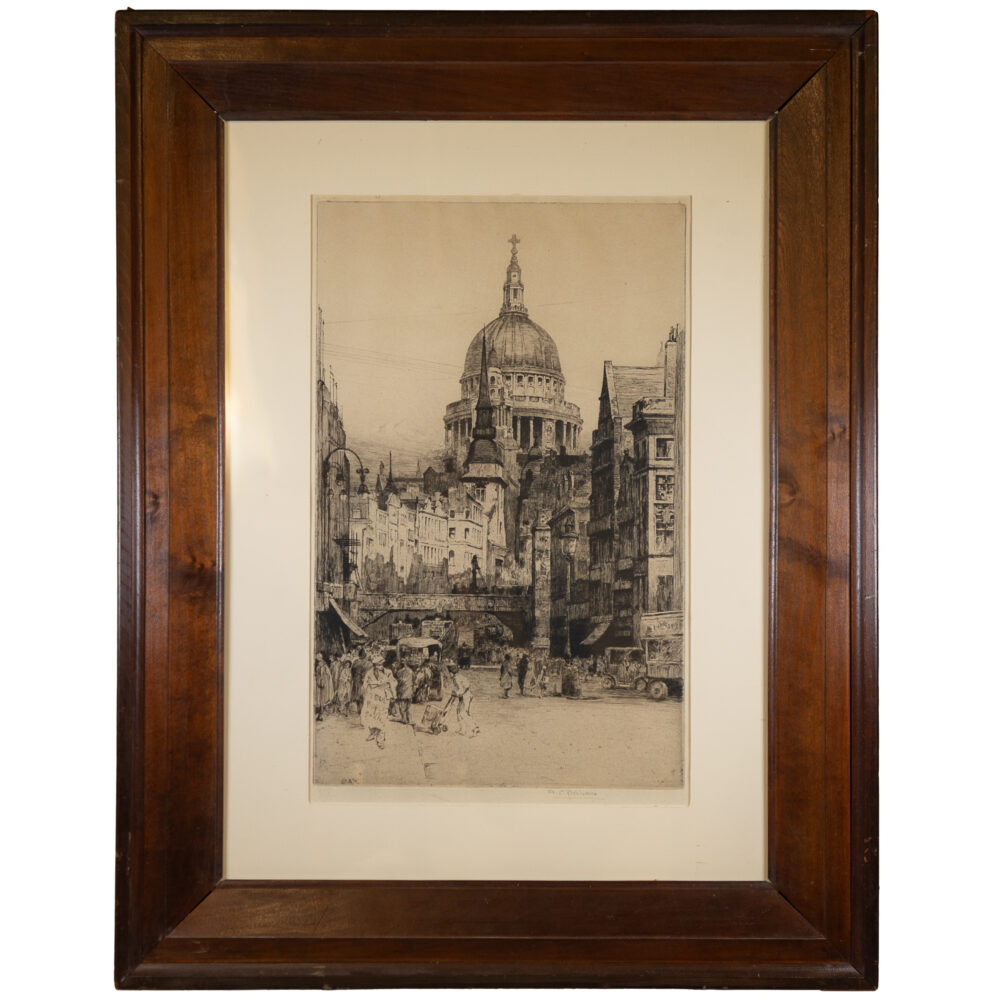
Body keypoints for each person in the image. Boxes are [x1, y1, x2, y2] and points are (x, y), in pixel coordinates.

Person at [361, 654, 397, 749]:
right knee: (369, 716)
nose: (379, 667)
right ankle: (372, 733)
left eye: (381, 664)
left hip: (383, 698)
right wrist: (366, 692)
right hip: (372, 697)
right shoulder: (369, 673)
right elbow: (365, 684)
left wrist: (393, 694)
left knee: (382, 718)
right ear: (374, 665)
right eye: (377, 665)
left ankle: (380, 740)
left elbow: (393, 683)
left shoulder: (388, 672)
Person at [441, 659, 477, 736]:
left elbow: (461, 689)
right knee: (458, 711)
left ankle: (473, 728)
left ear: (452, 673)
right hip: (464, 696)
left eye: (449, 673)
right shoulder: (458, 676)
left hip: (466, 696)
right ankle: (462, 728)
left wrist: (456, 693)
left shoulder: (456, 678)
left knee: (462, 713)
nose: (449, 675)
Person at [314, 653, 333, 721]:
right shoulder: (318, 665)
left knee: (322, 700)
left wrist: (323, 680)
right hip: (318, 684)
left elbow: (328, 675)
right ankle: (319, 715)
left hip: (323, 684)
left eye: (318, 657)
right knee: (319, 699)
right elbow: (317, 674)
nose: (319, 662)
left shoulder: (325, 666)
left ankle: (321, 715)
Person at [393, 658, 414, 724]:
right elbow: (414, 679)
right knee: (408, 707)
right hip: (409, 691)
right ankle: (409, 719)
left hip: (402, 691)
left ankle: (404, 719)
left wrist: (394, 669)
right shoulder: (411, 671)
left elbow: (397, 679)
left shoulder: (399, 672)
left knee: (402, 706)